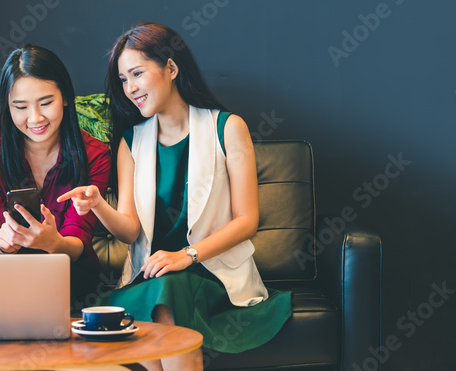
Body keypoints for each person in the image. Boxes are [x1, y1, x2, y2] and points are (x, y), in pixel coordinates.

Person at [58, 22, 291, 371]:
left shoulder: (227, 127)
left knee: (169, 292)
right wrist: (97, 206)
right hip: (152, 278)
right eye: (123, 80)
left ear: (171, 67)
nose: (130, 88)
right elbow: (130, 231)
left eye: (137, 73)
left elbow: (247, 221)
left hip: (211, 275)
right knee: (164, 291)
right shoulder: (130, 142)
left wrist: (187, 255)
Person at [0, 45, 111, 306]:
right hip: (6, 279)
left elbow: (78, 241)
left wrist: (53, 243)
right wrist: (3, 246)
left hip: (71, 276)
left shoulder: (94, 155)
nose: (35, 118)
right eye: (20, 107)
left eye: (46, 103)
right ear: (7, 107)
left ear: (65, 97)